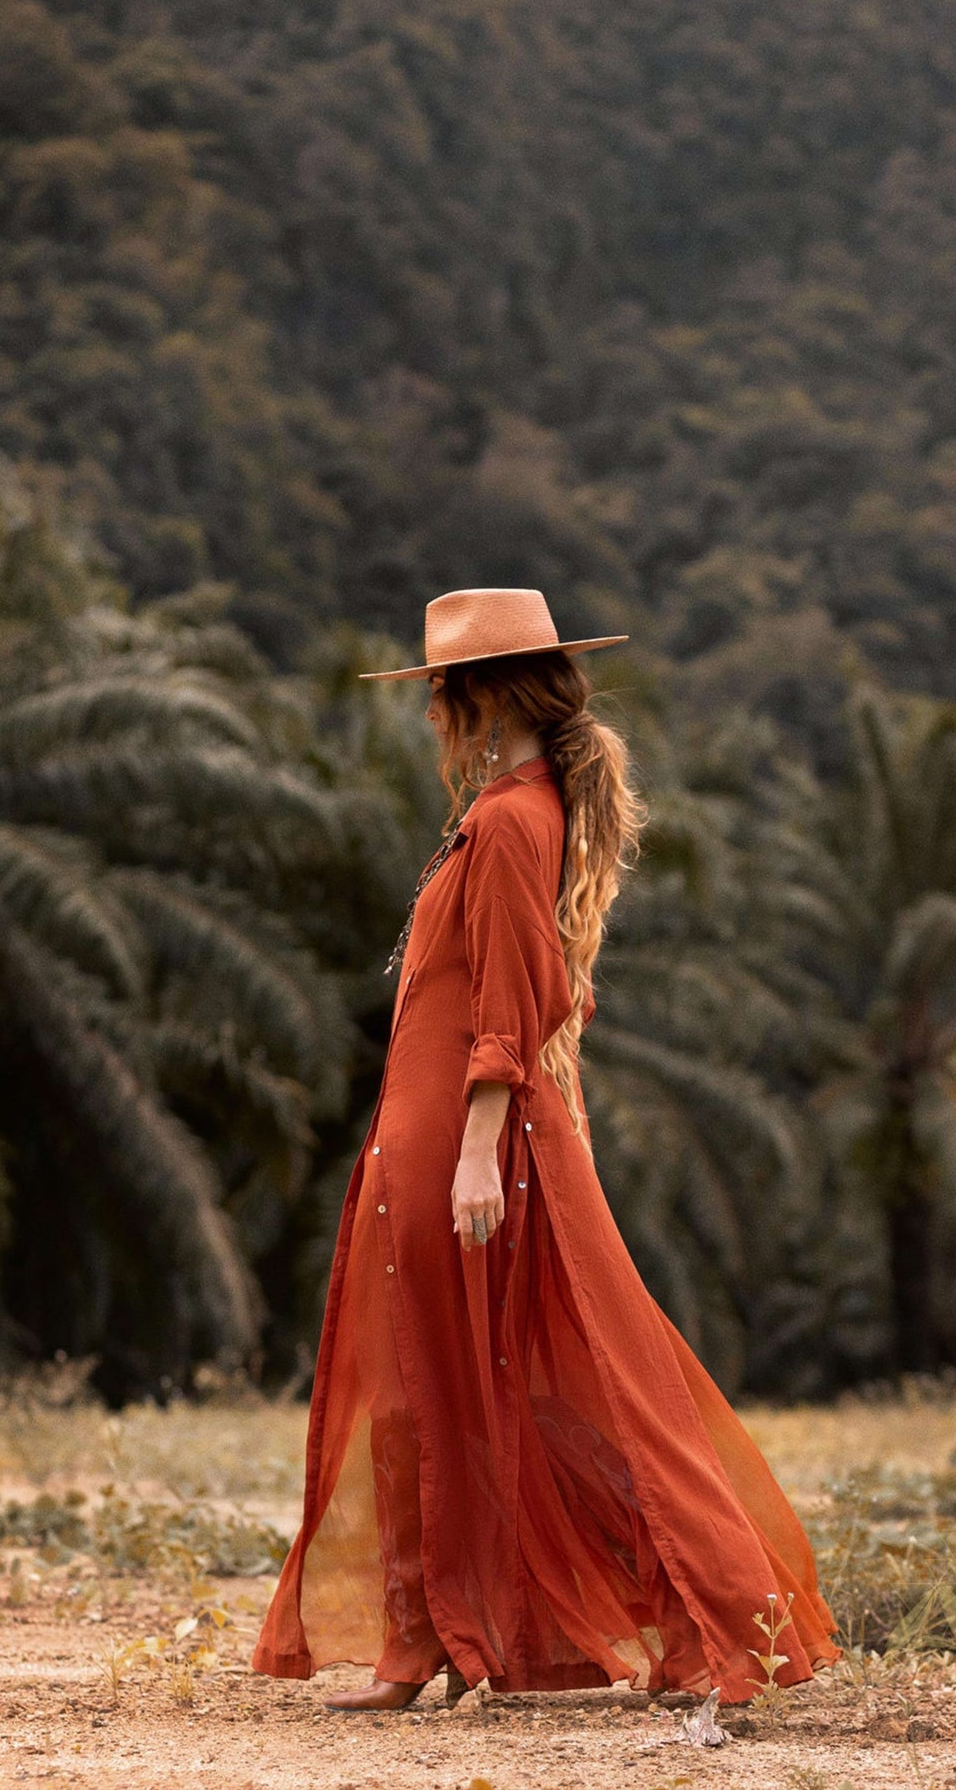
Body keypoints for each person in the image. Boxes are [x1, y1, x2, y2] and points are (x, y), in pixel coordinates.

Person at [252, 587, 839, 1710]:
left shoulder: (516, 819)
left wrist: (477, 1144)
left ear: (481, 694)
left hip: (472, 1137)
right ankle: (427, 1637)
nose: (430, 708)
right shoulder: (507, 811)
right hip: (431, 1132)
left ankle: (713, 1621)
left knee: (569, 1373)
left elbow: (523, 993)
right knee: (436, 1379)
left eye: (438, 688)